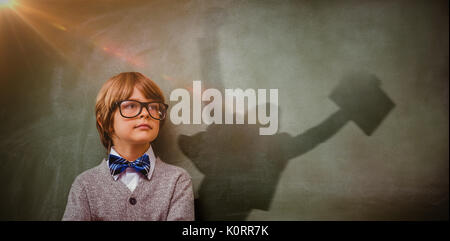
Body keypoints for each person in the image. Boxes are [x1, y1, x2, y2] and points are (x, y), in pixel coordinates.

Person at [62, 72, 194, 221]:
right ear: (104, 121)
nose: (145, 113)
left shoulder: (177, 180)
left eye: (153, 106)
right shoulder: (85, 185)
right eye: (131, 105)